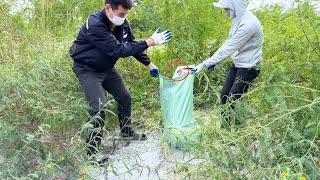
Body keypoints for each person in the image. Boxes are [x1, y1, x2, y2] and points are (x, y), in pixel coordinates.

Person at [69, 0, 173, 157]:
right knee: (99, 108)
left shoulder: (122, 23)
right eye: (121, 14)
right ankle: (92, 154)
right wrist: (149, 42)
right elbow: (118, 50)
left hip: (106, 68)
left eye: (126, 14)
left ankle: (127, 132)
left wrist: (150, 64)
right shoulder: (95, 24)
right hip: (87, 69)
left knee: (125, 97)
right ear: (108, 8)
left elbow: (131, 44)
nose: (124, 18)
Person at [192, 0, 263, 127]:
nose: (225, 12)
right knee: (225, 95)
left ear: (234, 6)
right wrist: (214, 61)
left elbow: (230, 47)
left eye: (226, 9)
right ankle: (225, 129)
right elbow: (229, 42)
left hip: (249, 66)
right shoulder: (238, 19)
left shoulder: (249, 24)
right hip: (238, 63)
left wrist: (204, 64)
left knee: (233, 100)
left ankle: (236, 132)